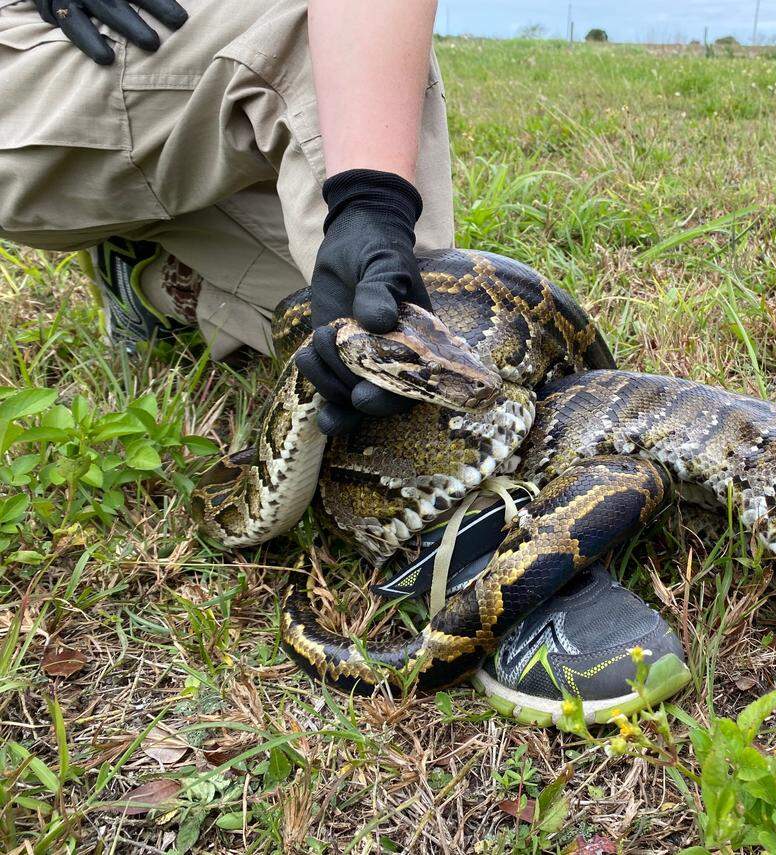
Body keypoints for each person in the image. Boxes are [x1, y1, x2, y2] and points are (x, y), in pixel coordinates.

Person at [0, 0, 690, 724]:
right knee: (317, 32)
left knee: (333, 289)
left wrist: (368, 216)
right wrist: (372, 195)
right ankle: (466, 546)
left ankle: (152, 275)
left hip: (162, 76)